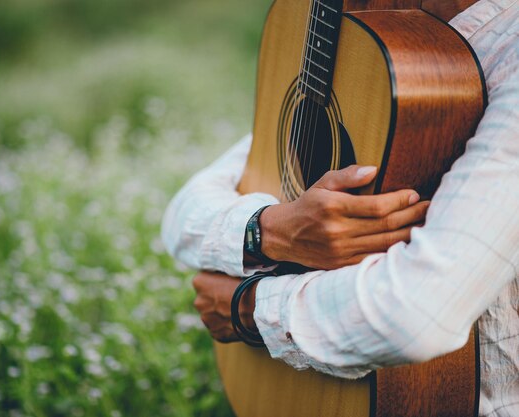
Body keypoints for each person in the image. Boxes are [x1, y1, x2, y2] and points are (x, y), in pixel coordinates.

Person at [161, 0, 519, 416]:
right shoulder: (369, 34)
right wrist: (271, 231)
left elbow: (415, 316)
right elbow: (181, 215)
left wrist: (247, 307)